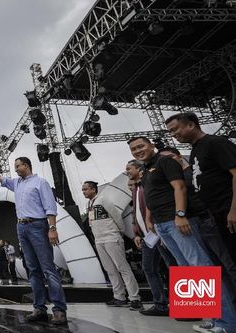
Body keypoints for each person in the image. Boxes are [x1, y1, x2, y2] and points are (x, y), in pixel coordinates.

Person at [128, 136, 236, 333]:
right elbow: (153, 195)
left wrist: (180, 214)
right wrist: (151, 220)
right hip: (162, 225)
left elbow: (179, 187)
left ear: (151, 145)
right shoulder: (147, 169)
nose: (137, 151)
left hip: (176, 222)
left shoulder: (165, 161)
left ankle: (227, 323)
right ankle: (213, 318)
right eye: (134, 149)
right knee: (188, 273)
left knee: (202, 270)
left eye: (141, 146)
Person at [0, 156, 67, 325]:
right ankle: (39, 308)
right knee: (32, 269)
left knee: (48, 268)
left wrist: (52, 228)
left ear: (26, 165)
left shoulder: (40, 182)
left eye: (17, 166)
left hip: (38, 225)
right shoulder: (17, 184)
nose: (15, 169)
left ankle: (59, 310)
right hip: (22, 227)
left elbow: (50, 207)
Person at [166, 113, 236, 264]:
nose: (173, 134)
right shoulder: (195, 151)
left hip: (229, 209)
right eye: (170, 132)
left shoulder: (215, 143)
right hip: (216, 214)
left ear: (191, 125)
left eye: (175, 129)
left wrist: (233, 210)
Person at [82, 180, 142, 310]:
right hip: (99, 239)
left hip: (111, 237)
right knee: (110, 269)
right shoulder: (89, 204)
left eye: (86, 189)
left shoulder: (103, 199)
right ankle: (119, 296)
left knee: (122, 268)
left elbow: (116, 216)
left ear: (93, 189)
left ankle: (135, 298)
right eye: (83, 190)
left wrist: (118, 231)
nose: (84, 192)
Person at [126, 159, 173, 317]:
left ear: (139, 169)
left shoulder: (148, 185)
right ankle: (160, 304)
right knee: (149, 268)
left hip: (160, 231)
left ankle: (186, 305)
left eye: (129, 168)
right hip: (147, 237)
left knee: (173, 266)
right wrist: (137, 233)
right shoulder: (136, 189)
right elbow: (137, 214)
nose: (127, 171)